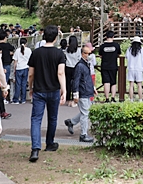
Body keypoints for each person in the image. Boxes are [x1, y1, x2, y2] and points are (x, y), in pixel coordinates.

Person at [27, 25, 66, 163]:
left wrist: (30, 87)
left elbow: (31, 74)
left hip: (39, 90)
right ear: (56, 38)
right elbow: (60, 73)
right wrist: (64, 90)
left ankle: (35, 148)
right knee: (53, 118)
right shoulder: (59, 53)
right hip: (54, 90)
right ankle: (50, 143)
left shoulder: (36, 53)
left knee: (36, 119)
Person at [64, 44, 96, 142]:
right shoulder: (80, 65)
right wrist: (75, 94)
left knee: (86, 111)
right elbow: (76, 80)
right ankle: (83, 134)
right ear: (83, 54)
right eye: (87, 53)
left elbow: (87, 78)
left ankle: (72, 122)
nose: (89, 55)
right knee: (85, 113)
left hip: (87, 90)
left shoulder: (86, 64)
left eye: (90, 53)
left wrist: (93, 87)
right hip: (83, 91)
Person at [97, 31, 121, 102]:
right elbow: (119, 54)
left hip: (104, 66)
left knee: (106, 82)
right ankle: (113, 98)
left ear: (106, 37)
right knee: (113, 82)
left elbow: (100, 55)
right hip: (113, 66)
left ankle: (107, 98)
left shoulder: (102, 46)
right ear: (113, 37)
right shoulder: (116, 45)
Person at [125, 36, 143, 102]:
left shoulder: (129, 49)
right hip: (139, 69)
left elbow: (126, 56)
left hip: (130, 68)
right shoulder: (141, 49)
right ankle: (140, 99)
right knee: (139, 85)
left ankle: (131, 99)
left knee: (131, 85)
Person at [12, 38, 31, 104]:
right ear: (26, 43)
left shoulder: (17, 50)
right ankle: (23, 99)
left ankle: (16, 99)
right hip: (26, 67)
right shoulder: (29, 50)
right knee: (24, 84)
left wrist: (14, 70)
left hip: (19, 68)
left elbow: (15, 61)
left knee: (18, 84)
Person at [64, 36, 81, 106]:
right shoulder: (78, 50)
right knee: (76, 82)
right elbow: (79, 59)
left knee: (68, 83)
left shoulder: (67, 50)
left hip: (68, 67)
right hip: (76, 67)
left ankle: (68, 98)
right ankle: (75, 97)